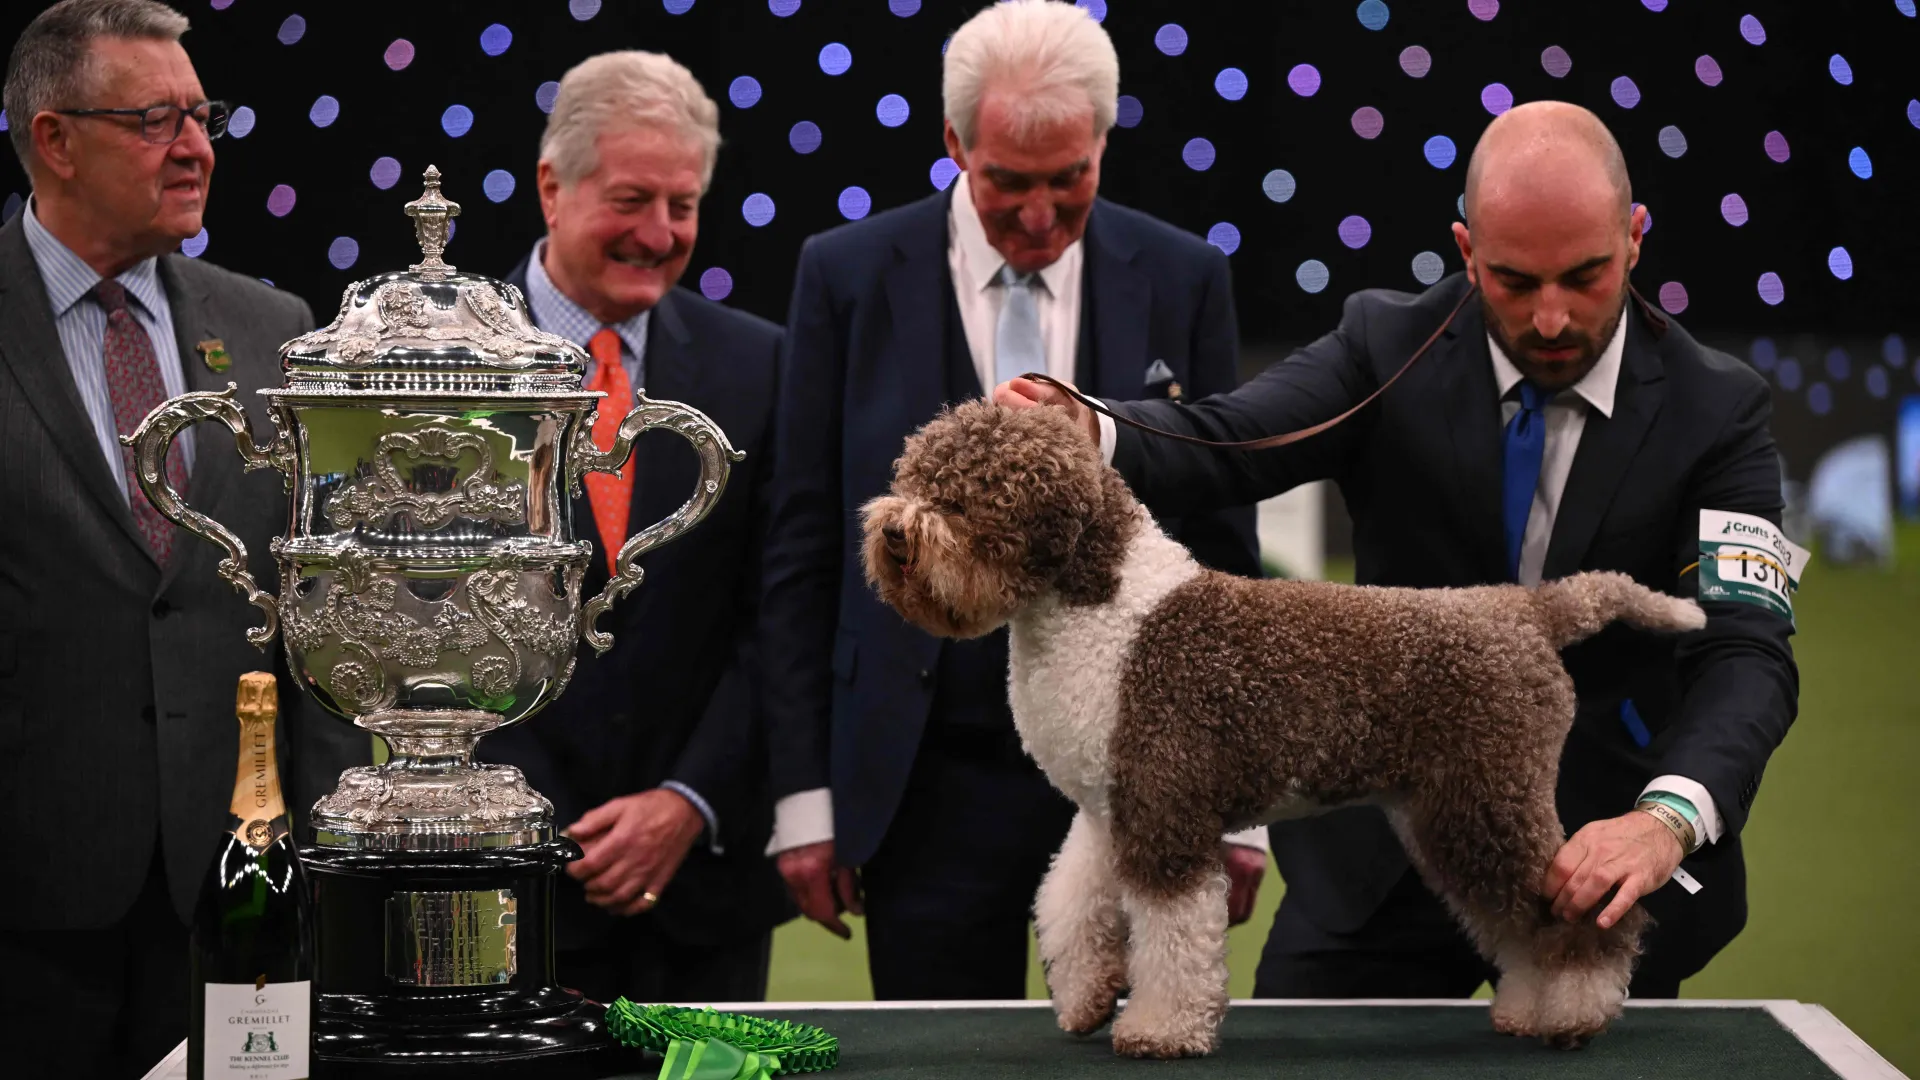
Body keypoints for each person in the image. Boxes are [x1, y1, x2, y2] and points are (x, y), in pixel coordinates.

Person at [1000, 100, 1798, 1000]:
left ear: (1637, 237)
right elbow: (1229, 439)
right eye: (1510, 279)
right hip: (1371, 871)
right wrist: (1093, 426)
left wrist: (1665, 821)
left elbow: (1748, 652)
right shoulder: (1384, 341)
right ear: (1464, 250)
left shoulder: (1721, 410)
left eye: (1585, 276)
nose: (1548, 318)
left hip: (1601, 862)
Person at [760, 0, 1267, 1001]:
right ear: (953, 143)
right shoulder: (844, 276)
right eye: (1007, 183)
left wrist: (1238, 804)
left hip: (1139, 767)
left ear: (1104, 143)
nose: (1039, 215)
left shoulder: (1185, 277)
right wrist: (806, 802)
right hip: (922, 778)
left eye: (1069, 180)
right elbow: (802, 550)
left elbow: (1224, 557)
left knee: (1141, 1055)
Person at [0, 1, 368, 1075]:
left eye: (203, 115)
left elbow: (323, 610)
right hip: (26, 895)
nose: (198, 148)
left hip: (241, 886)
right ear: (53, 139)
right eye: (156, 119)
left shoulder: (275, 327)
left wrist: (330, 850)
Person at [477, 49, 792, 1006]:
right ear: (551, 186)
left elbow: (782, 617)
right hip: (504, 881)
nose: (659, 233)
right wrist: (543, 820)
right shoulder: (442, 367)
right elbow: (418, 616)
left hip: (706, 887)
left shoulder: (764, 367)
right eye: (631, 199)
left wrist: (684, 804)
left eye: (683, 205)